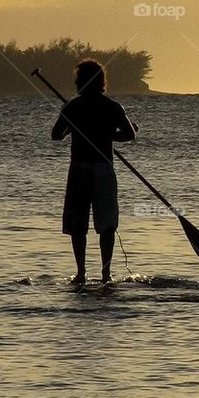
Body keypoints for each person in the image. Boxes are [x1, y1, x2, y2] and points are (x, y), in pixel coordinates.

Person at [51, 58, 137, 284]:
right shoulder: (113, 107)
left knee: (78, 225)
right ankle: (106, 275)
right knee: (106, 225)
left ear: (80, 82)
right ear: (101, 82)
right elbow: (129, 134)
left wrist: (73, 129)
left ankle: (81, 273)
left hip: (79, 171)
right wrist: (108, 136)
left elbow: (55, 135)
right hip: (104, 171)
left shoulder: (72, 107)